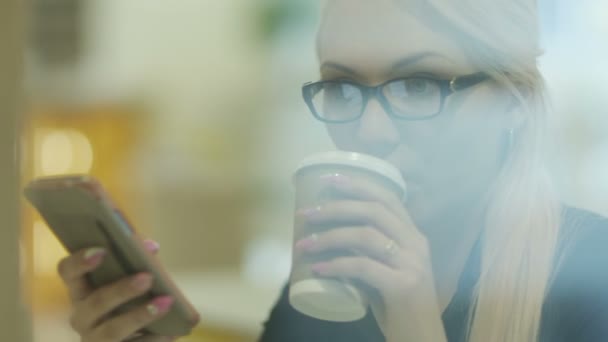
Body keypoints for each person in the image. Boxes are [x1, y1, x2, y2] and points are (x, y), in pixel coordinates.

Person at [56, 0, 608, 341]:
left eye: (417, 85)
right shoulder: (329, 281)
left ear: (512, 103)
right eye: (342, 86)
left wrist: (413, 320)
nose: (368, 131)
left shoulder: (591, 276)